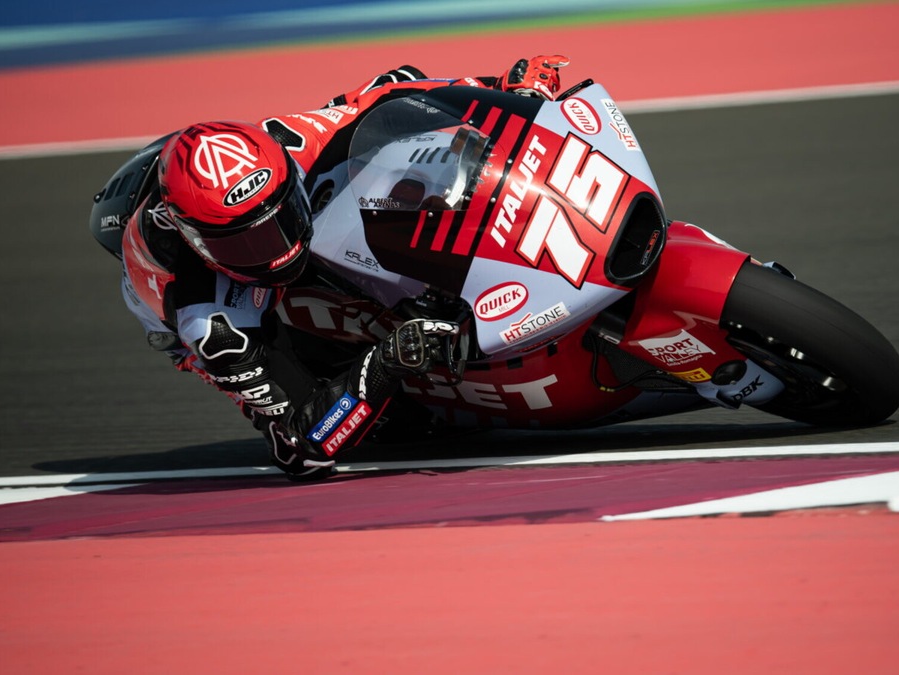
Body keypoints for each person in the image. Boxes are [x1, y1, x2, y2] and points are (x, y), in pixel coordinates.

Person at [90, 55, 571, 480]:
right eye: (249, 241)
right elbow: (300, 450)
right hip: (237, 308)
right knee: (395, 424)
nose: (278, 248)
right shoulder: (209, 319)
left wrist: (503, 87)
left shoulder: (288, 140)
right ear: (198, 242)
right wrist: (386, 361)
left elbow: (394, 88)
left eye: (282, 219)